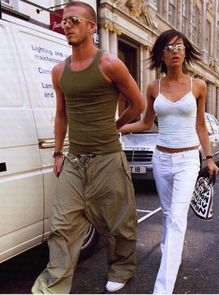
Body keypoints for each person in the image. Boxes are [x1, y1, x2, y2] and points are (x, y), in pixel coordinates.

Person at [31, 2, 145, 294]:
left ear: (91, 27)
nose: (67, 25)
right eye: (64, 21)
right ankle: (52, 286)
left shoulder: (109, 64)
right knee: (62, 227)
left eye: (73, 20)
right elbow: (62, 115)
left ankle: (121, 267)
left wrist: (117, 126)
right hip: (75, 160)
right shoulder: (59, 72)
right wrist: (58, 154)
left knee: (119, 224)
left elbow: (139, 105)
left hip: (108, 158)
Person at [119, 29, 219, 294]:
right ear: (161, 55)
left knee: (176, 219)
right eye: (168, 48)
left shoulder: (198, 86)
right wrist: (117, 128)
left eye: (179, 47)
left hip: (187, 159)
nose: (174, 52)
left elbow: (200, 126)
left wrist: (209, 158)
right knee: (167, 214)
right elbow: (145, 122)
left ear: (185, 52)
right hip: (161, 158)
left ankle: (162, 288)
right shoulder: (154, 87)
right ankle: (170, 250)